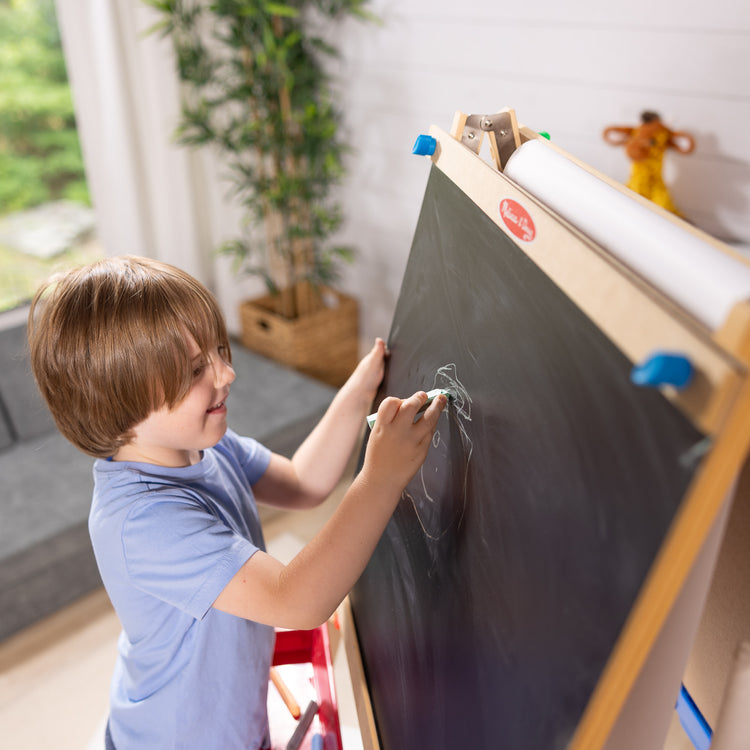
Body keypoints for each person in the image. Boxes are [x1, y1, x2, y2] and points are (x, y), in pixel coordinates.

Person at [27, 256, 446, 750]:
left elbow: (302, 482)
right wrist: (381, 479)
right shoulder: (143, 522)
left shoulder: (203, 445)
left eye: (219, 349)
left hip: (229, 720)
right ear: (115, 404)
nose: (226, 373)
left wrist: (357, 396)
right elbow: (297, 600)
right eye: (196, 368)